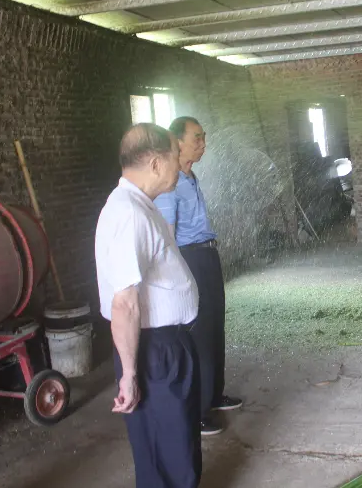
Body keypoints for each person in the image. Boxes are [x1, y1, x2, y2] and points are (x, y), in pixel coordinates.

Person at [95, 123, 201, 488]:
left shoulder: (140, 204)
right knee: (165, 446)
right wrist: (129, 374)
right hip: (154, 350)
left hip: (165, 345)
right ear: (156, 163)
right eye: (175, 155)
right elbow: (124, 304)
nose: (180, 161)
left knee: (178, 441)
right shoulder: (128, 213)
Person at [154, 116, 242, 437]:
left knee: (215, 324)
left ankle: (215, 395)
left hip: (207, 254)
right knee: (200, 333)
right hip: (190, 259)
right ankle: (200, 411)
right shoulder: (171, 184)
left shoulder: (191, 177)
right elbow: (167, 238)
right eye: (197, 138)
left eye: (204, 138)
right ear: (178, 142)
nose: (203, 144)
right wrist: (177, 279)